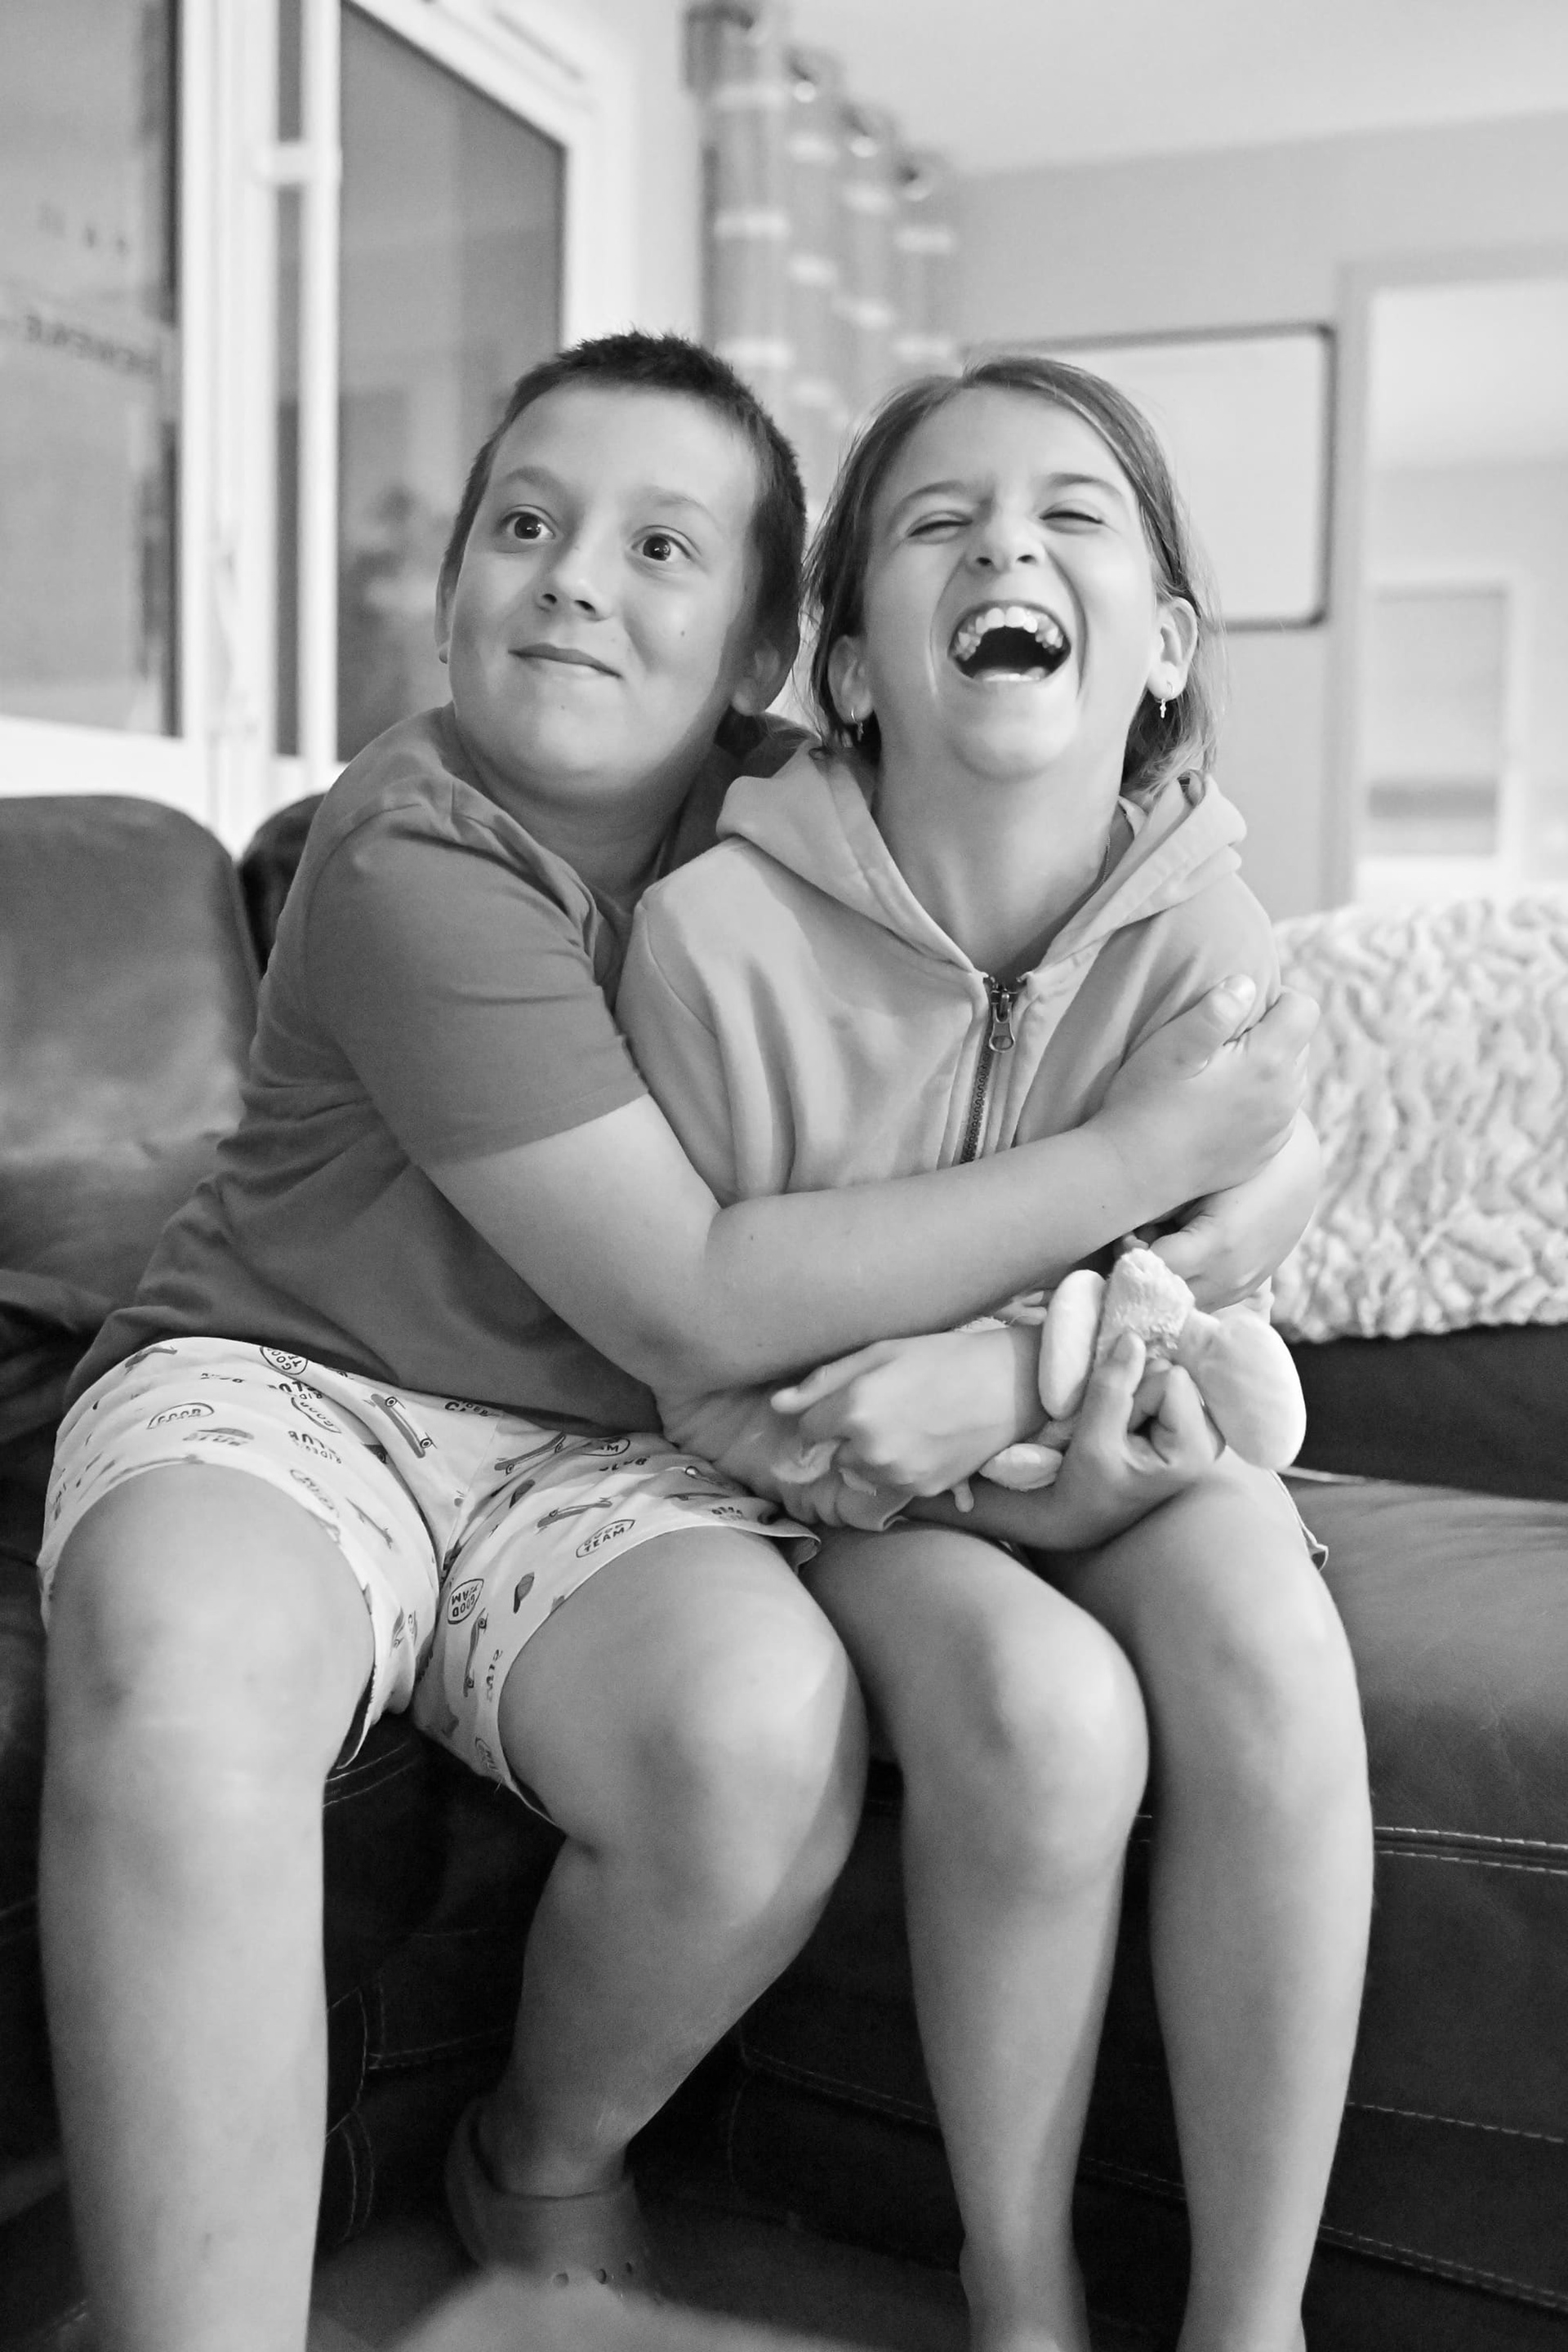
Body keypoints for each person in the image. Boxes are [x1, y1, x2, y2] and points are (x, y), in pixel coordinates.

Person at [38, 332, 1314, 2352]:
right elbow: (693, 1295)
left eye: (658, 548)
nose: (571, 579)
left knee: (757, 1734)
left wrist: (1232, 1179)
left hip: (603, 1458)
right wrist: (1154, 1157)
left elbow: (1214, 1080)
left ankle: (540, 2154)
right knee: (186, 1678)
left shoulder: (807, 815)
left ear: (766, 664)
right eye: (524, 527)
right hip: (292, 1388)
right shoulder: (412, 843)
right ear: (452, 587)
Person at [615, 355, 1373, 2352]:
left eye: (1069, 516)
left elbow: (1206, 1280)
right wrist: (942, 1445)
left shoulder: (1209, 944)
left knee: (1267, 1626)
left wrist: (1019, 1384)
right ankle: (1018, 2290)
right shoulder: (713, 943)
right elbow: (698, 1362)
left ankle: (1254, 2321)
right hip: (838, 1498)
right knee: (1045, 1717)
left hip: (1098, 1447)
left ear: (1163, 649)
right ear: (854, 666)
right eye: (939, 524)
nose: (1004, 551)